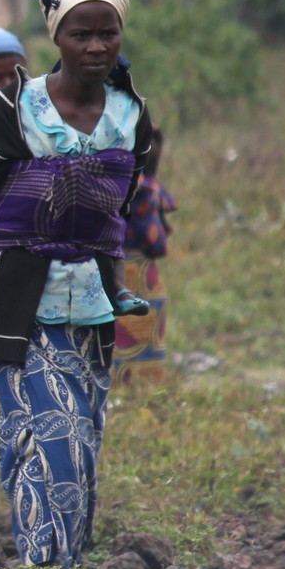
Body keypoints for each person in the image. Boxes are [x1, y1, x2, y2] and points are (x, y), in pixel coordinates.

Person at [0, 0, 153, 569]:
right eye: (80, 34)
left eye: (107, 33)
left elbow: (121, 205)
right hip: (12, 305)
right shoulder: (13, 112)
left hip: (88, 307)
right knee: (36, 438)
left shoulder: (130, 115)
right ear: (56, 37)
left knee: (80, 440)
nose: (95, 47)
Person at [115, 131, 174, 387]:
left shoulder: (113, 185)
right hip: (141, 275)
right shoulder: (150, 190)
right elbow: (158, 244)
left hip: (112, 272)